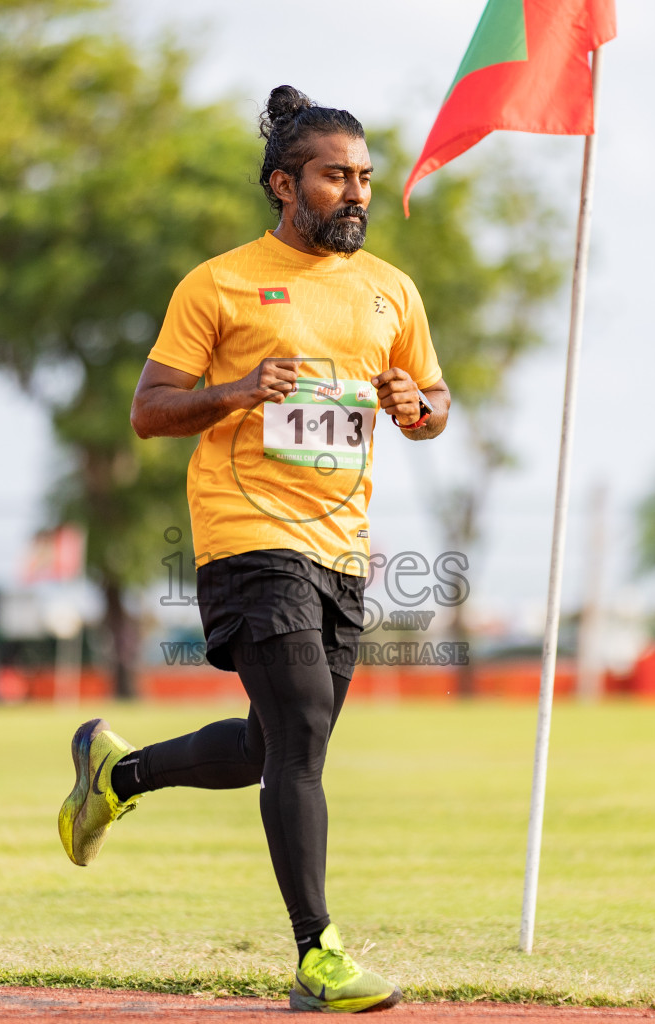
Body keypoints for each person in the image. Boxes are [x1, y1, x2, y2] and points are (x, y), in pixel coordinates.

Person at [57, 85, 450, 1014]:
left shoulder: (392, 289)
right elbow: (150, 411)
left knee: (274, 746)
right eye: (332, 176)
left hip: (342, 546)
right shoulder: (220, 283)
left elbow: (434, 406)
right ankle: (319, 956)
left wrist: (414, 408)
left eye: (362, 176)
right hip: (246, 531)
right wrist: (234, 391)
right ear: (284, 184)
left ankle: (121, 774)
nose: (354, 192)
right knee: (304, 735)